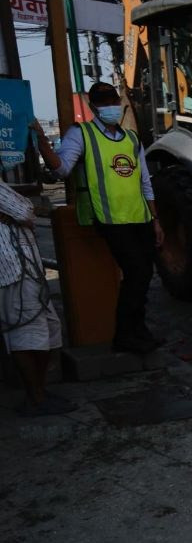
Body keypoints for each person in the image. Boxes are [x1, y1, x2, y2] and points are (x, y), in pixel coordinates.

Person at [32, 82, 164, 354]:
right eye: (103, 103)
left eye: (113, 101)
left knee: (143, 275)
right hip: (110, 219)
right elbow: (62, 170)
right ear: (93, 107)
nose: (110, 107)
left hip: (139, 217)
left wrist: (155, 219)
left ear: (120, 103)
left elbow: (145, 182)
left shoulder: (131, 138)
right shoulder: (81, 134)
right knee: (137, 273)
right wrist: (42, 141)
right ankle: (127, 335)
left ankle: (137, 331)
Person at [0, 180, 74, 416]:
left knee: (49, 330)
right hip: (13, 269)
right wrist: (20, 213)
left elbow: (23, 211)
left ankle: (39, 391)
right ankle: (36, 397)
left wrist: (19, 213)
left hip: (25, 266)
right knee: (27, 334)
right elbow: (24, 210)